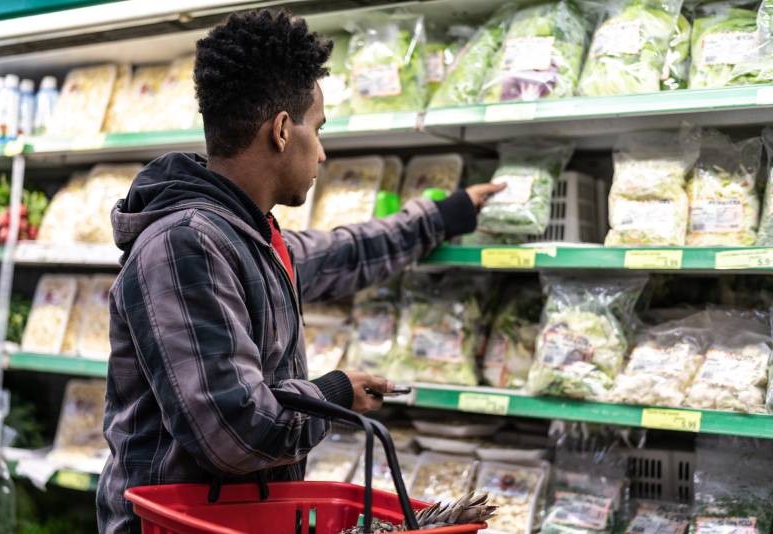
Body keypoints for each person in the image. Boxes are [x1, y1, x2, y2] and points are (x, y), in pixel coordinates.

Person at [95, 9, 502, 533]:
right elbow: (233, 430)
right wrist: (334, 393)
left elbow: (341, 254)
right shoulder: (183, 245)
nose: (324, 152)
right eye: (320, 129)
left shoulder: (247, 236)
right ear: (283, 131)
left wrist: (447, 215)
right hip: (177, 525)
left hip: (238, 519)